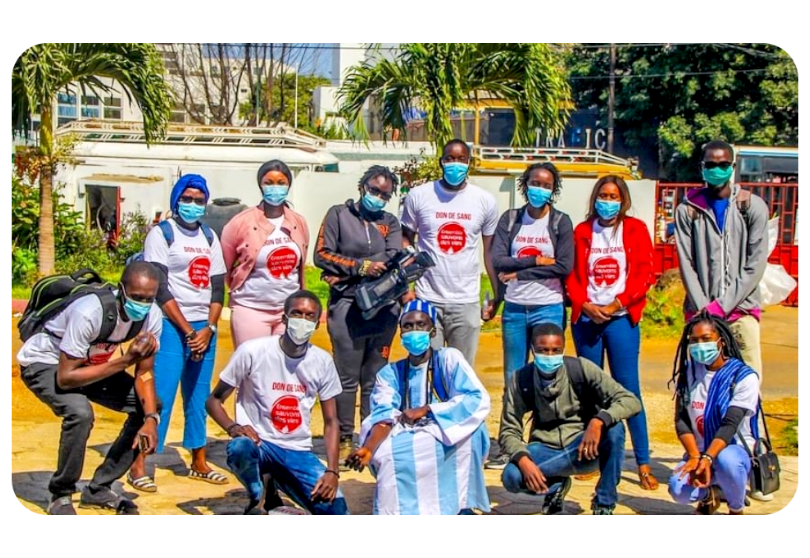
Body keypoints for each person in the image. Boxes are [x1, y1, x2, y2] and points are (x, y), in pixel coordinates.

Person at [16, 262, 163, 515]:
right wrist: (125, 360)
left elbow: (145, 372)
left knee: (148, 405)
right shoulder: (90, 312)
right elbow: (66, 379)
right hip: (47, 363)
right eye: (137, 297)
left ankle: (99, 489)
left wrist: (150, 418)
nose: (143, 304)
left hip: (88, 364)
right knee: (80, 413)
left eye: (149, 298)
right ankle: (60, 494)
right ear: (121, 290)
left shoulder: (152, 316)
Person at [206, 291, 349, 516]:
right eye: (297, 314)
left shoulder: (322, 361)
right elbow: (214, 400)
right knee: (240, 448)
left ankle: (277, 484)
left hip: (297, 450)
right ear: (284, 318)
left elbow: (331, 421)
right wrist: (233, 428)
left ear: (317, 324)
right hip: (259, 444)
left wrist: (332, 471)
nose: (302, 321)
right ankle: (258, 495)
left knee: (336, 509)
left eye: (310, 316)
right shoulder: (253, 351)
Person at [128, 174, 229, 493]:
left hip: (204, 328)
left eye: (199, 200)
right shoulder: (162, 234)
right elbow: (159, 287)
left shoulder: (210, 236)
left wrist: (208, 328)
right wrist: (188, 331)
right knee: (160, 395)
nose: (193, 205)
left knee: (199, 395)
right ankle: (139, 463)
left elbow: (217, 287)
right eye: (187, 199)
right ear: (176, 200)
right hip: (171, 325)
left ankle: (199, 460)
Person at [345, 299, 491, 515]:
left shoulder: (449, 358)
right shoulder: (389, 373)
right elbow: (383, 415)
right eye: (408, 326)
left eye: (421, 325)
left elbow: (476, 398)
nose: (414, 331)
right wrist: (368, 448)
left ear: (433, 331)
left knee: (473, 432)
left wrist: (428, 410)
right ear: (401, 332)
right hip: (409, 434)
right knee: (386, 453)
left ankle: (459, 506)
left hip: (445, 431)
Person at [566, 175, 659, 490]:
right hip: (587, 320)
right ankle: (592, 458)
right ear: (595, 199)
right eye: (603, 195)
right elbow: (571, 275)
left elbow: (645, 272)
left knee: (628, 390)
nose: (608, 201)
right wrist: (584, 304)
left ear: (623, 200)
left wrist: (618, 303)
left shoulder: (635, 229)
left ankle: (643, 462)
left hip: (621, 319)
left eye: (613, 196)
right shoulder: (582, 231)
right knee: (590, 392)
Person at [498, 323, 641, 515]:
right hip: (546, 450)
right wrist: (523, 460)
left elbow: (630, 400)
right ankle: (555, 485)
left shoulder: (580, 369)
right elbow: (508, 430)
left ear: (563, 349)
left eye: (555, 350)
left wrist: (598, 421)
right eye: (543, 350)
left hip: (584, 448)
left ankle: (604, 503)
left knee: (615, 429)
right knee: (512, 477)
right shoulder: (521, 380)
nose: (549, 356)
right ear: (533, 350)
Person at [486, 162, 575, 470]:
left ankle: (546, 442)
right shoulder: (511, 219)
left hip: (548, 306)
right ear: (525, 185)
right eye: (535, 183)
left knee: (548, 376)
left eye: (547, 185)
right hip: (514, 309)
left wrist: (521, 273)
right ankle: (508, 445)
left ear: (554, 189)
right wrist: (537, 260)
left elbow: (563, 266)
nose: (540, 189)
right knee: (513, 378)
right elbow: (498, 260)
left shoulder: (561, 222)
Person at [313, 165, 403, 466]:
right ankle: (344, 436)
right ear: (362, 186)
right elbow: (322, 254)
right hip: (347, 306)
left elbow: (393, 256)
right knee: (346, 376)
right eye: (374, 190)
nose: (378, 197)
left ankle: (369, 437)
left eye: (385, 194)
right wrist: (360, 267)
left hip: (384, 307)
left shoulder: (390, 222)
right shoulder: (338, 215)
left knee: (375, 376)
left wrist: (344, 271)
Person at [400, 138, 500, 367]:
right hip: (427, 297)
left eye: (461, 159)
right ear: (441, 162)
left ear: (469, 163)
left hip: (466, 301)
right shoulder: (419, 195)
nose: (456, 164)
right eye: (450, 159)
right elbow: (404, 239)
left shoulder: (484, 201)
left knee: (461, 370)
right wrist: (406, 288)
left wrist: (497, 295)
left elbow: (490, 251)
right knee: (427, 367)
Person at [674, 140, 769, 379]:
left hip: (741, 313)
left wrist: (721, 307)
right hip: (700, 314)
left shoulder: (752, 207)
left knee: (747, 383)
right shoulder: (688, 210)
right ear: (702, 167)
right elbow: (687, 264)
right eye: (711, 164)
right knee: (700, 383)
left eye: (723, 164)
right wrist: (706, 310)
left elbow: (755, 265)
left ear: (732, 167)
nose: (717, 169)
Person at [667, 311, 761, 515]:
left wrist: (708, 458)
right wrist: (694, 456)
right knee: (677, 488)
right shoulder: (689, 372)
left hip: (733, 452)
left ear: (722, 341)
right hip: (700, 452)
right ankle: (709, 496)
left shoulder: (744, 377)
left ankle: (736, 507)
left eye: (706, 339)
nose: (700, 345)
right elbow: (681, 420)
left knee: (727, 461)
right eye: (694, 340)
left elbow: (730, 425)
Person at [220, 159, 310, 347]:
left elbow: (300, 264)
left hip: (289, 311)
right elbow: (223, 267)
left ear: (289, 185)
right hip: (250, 309)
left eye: (281, 183)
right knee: (253, 362)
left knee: (285, 362)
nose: (275, 188)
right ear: (260, 185)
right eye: (269, 183)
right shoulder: (240, 223)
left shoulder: (298, 222)